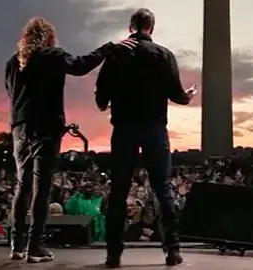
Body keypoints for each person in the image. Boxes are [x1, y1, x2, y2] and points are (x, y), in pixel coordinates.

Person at [5, 16, 137, 263]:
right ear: (48, 37)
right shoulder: (53, 55)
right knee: (41, 189)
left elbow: (12, 94)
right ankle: (35, 247)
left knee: (22, 187)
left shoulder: (13, 62)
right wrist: (109, 47)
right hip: (46, 127)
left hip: (20, 128)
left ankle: (16, 245)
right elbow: (80, 66)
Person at [94, 8, 197, 268]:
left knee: (119, 191)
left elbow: (100, 100)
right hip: (154, 128)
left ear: (131, 27)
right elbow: (177, 95)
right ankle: (172, 250)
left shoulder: (116, 54)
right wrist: (189, 95)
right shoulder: (163, 54)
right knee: (162, 189)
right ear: (151, 27)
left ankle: (113, 254)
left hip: (124, 128)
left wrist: (110, 100)